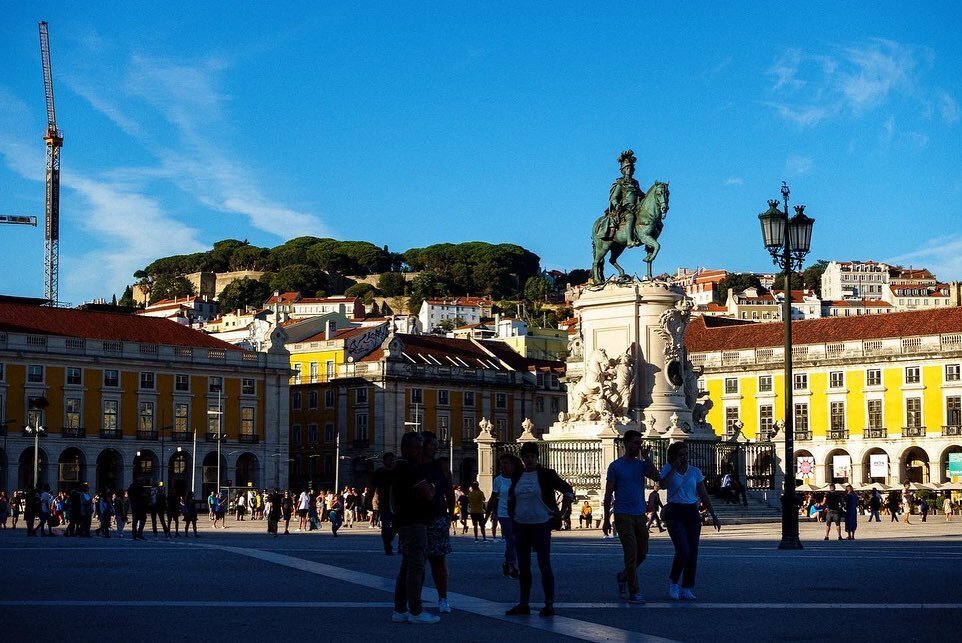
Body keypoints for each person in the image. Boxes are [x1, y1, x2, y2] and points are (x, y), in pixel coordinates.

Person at [505, 441, 575, 618]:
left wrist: (562, 513)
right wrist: (512, 514)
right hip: (521, 524)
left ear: (537, 458)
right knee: (524, 565)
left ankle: (549, 604)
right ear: (522, 459)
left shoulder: (546, 474)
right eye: (526, 457)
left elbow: (568, 491)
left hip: (541, 524)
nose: (529, 459)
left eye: (532, 457)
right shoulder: (518, 475)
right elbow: (512, 496)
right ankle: (523, 603)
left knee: (544, 564)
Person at [602, 429, 660, 604]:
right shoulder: (615, 466)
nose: (638, 446)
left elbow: (657, 477)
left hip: (639, 513)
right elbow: (608, 494)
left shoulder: (641, 465)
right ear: (626, 444)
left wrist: (647, 458)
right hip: (622, 513)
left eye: (640, 443)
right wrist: (606, 518)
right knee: (631, 552)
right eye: (636, 443)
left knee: (643, 552)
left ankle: (623, 576)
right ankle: (634, 591)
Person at [390, 431, 441, 625]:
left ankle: (400, 608)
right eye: (416, 448)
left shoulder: (398, 467)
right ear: (405, 449)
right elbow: (428, 494)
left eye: (421, 448)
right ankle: (416, 610)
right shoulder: (411, 469)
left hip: (405, 520)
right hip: (415, 522)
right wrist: (434, 485)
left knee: (407, 565)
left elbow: (393, 498)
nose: (420, 452)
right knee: (417, 567)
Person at [659, 441, 720, 601]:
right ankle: (673, 582)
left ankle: (687, 587)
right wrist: (674, 467)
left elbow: (703, 493)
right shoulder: (667, 469)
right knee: (683, 550)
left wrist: (713, 514)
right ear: (673, 456)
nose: (685, 457)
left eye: (686, 454)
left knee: (692, 552)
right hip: (675, 511)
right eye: (681, 454)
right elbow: (663, 485)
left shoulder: (695, 471)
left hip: (692, 511)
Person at [419, 432, 455, 613]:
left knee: (438, 560)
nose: (436, 447)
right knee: (416, 562)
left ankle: (443, 598)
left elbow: (449, 489)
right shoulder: (413, 466)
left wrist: (451, 512)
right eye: (432, 444)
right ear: (422, 445)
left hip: (437, 515)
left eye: (436, 444)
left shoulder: (441, 465)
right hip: (416, 518)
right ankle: (415, 599)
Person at [604, 149, 644, 246]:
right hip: (625, 209)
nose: (629, 170)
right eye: (627, 168)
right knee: (630, 217)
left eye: (630, 168)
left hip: (636, 207)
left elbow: (641, 194)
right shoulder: (620, 183)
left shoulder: (635, 183)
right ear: (623, 170)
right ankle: (630, 240)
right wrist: (616, 204)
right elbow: (614, 198)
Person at [491, 454, 521, 579]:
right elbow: (493, 498)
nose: (503, 465)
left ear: (513, 465)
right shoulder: (498, 480)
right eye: (502, 463)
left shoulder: (519, 478)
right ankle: (513, 566)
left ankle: (507, 562)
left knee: (516, 541)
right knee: (511, 540)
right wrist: (488, 515)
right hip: (504, 514)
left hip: (519, 513)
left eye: (506, 463)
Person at [370, 453, 397, 555]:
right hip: (384, 502)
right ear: (385, 461)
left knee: (397, 525)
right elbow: (374, 486)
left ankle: (390, 539)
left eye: (393, 459)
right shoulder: (379, 472)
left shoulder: (397, 472)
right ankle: (387, 546)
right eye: (390, 459)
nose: (392, 461)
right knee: (385, 525)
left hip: (397, 502)